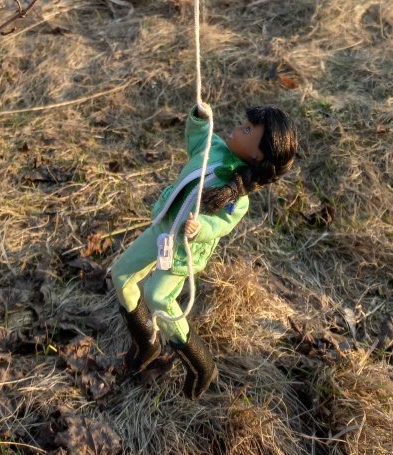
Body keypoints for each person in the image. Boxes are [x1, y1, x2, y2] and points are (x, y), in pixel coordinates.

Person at [110, 103, 298, 399]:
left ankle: (200, 362)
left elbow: (221, 224)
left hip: (185, 249)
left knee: (158, 296)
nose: (238, 127)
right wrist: (199, 118)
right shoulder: (214, 148)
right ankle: (147, 341)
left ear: (257, 155)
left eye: (247, 130)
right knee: (122, 274)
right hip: (164, 228)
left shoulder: (239, 199)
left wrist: (201, 229)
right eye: (244, 123)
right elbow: (197, 138)